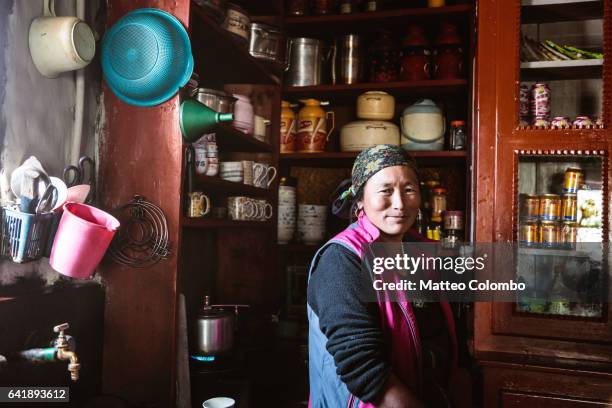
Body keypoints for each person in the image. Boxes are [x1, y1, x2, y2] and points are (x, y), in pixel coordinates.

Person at [307, 144, 457, 407]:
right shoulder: (342, 260)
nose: (399, 204)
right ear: (361, 200)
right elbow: (363, 367)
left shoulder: (423, 253)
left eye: (409, 189)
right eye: (385, 191)